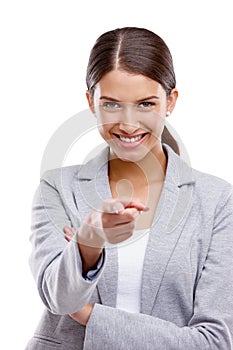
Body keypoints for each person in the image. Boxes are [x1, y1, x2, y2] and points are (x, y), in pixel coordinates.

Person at [26, 27, 233, 349]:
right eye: (110, 104)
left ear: (170, 102)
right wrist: (88, 242)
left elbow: (215, 342)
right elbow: (59, 299)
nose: (127, 123)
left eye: (146, 104)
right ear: (91, 103)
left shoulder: (218, 200)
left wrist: (91, 316)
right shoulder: (58, 188)